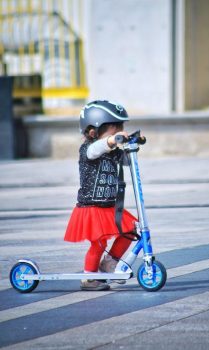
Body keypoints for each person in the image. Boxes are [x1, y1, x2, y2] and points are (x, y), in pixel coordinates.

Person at [64, 100, 137, 291]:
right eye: (114, 131)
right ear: (92, 132)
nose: (118, 134)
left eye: (121, 129)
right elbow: (97, 149)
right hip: (91, 207)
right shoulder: (88, 150)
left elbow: (128, 162)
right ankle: (89, 278)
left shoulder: (113, 153)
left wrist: (133, 144)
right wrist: (110, 141)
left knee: (130, 230)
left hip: (109, 205)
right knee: (98, 242)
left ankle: (109, 262)